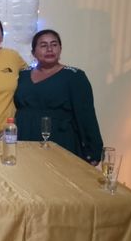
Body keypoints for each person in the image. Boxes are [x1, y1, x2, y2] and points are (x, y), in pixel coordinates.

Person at [14, 29, 103, 164]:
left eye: (54, 44)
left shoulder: (74, 76)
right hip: (24, 136)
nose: (49, 49)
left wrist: (93, 150)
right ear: (33, 52)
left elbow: (86, 115)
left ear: (60, 49)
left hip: (59, 139)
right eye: (43, 45)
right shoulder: (23, 75)